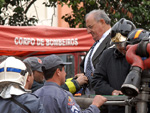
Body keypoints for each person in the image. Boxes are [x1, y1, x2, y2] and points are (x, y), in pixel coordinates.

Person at [91, 18, 138, 113]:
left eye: (123, 45)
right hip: (115, 108)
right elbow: (96, 80)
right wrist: (111, 91)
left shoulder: (143, 54)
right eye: (118, 45)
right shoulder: (107, 55)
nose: (121, 48)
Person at [34, 54, 107, 113]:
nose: (65, 74)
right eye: (64, 70)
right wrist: (95, 105)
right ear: (58, 72)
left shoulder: (35, 95)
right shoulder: (63, 96)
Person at [80, 9, 111, 94]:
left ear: (102, 22)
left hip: (104, 98)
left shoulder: (113, 41)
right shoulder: (97, 43)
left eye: (90, 27)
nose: (88, 31)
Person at [24, 56, 88, 94]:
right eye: (40, 71)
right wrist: (76, 83)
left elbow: (57, 82)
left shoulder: (38, 82)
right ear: (30, 73)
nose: (43, 73)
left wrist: (74, 79)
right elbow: (56, 89)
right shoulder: (33, 86)